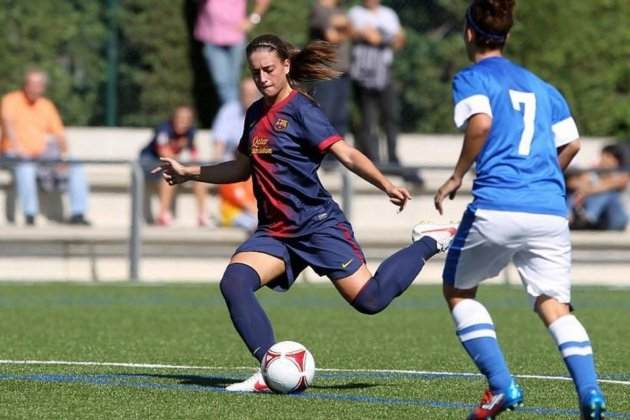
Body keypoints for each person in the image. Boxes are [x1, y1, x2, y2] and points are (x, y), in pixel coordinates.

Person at [154, 34, 456, 393]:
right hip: (275, 232)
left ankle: (429, 241)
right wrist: (190, 172)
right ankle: (270, 368)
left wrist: (384, 184)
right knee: (234, 283)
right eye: (255, 73)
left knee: (371, 300)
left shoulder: (302, 110)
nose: (262, 78)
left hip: (317, 225)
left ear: (286, 66)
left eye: (268, 69)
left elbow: (346, 154)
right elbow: (240, 169)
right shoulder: (254, 113)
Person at [433, 1, 606, 418]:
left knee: (458, 290)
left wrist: (457, 176)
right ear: (506, 36)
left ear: (469, 33)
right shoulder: (542, 86)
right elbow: (573, 143)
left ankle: (500, 386)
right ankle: (591, 392)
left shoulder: (472, 77)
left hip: (498, 204)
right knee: (553, 304)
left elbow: (481, 123)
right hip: (548, 210)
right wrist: (543, 175)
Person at [0, 68, 90, 226]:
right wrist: (18, 148)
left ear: (43, 87)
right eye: (31, 84)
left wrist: (63, 157)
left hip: (41, 155)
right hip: (13, 154)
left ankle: (78, 213)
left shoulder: (46, 105)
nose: (35, 88)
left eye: (38, 84)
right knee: (25, 167)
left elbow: (59, 134)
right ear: (25, 85)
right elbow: (8, 126)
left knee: (74, 164)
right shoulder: (11, 100)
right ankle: (30, 215)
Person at [348, 0, 404, 166]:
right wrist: (364, 35)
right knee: (368, 118)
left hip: (385, 70)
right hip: (363, 73)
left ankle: (393, 156)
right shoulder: (355, 12)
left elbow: (400, 38)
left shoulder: (389, 14)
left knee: (391, 115)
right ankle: (373, 157)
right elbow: (350, 33)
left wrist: (382, 38)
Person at [139, 106, 209, 226]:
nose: (183, 123)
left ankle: (202, 215)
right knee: (169, 174)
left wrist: (192, 166)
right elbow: (164, 153)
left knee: (199, 174)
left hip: (171, 162)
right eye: (181, 119)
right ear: (174, 119)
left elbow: (194, 153)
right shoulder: (163, 129)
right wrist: (183, 164)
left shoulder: (191, 132)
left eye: (187, 120)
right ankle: (162, 214)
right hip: (149, 161)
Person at [194, 0, 271, 106]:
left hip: (235, 38)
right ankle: (235, 114)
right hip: (212, 38)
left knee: (232, 84)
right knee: (223, 84)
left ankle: (235, 115)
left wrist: (252, 20)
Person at [211, 78, 261, 231]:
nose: (248, 97)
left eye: (252, 93)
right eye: (245, 93)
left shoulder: (268, 110)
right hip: (234, 162)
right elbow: (219, 145)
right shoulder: (229, 111)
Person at [308, 0, 352, 171]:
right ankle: (321, 157)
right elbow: (332, 36)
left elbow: (349, 30)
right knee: (324, 115)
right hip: (325, 72)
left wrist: (343, 26)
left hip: (343, 71)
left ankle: (337, 158)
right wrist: (344, 26)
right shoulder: (319, 9)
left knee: (340, 118)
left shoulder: (341, 9)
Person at [567, 143, 629, 231]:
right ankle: (571, 217)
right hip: (601, 221)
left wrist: (587, 189)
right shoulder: (596, 174)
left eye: (605, 156)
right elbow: (573, 183)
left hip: (617, 219)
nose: (601, 160)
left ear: (615, 159)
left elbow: (614, 183)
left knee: (607, 193)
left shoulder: (623, 175)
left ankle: (589, 218)